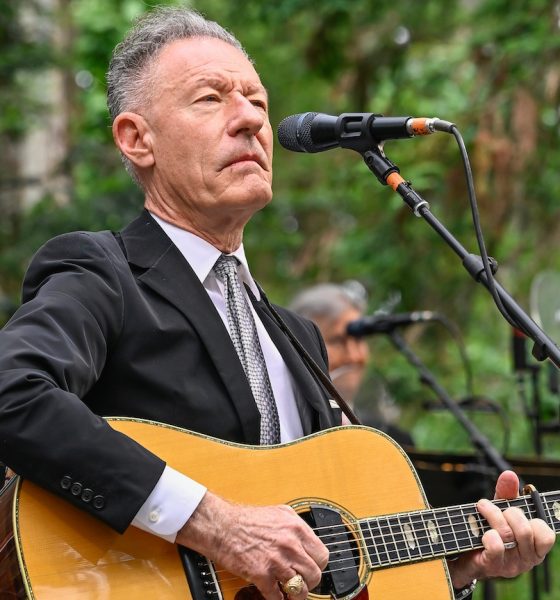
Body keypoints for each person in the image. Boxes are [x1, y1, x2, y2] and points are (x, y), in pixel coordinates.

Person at [0, 6, 554, 600]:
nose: (249, 121)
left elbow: (324, 565)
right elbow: (13, 391)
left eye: (257, 102)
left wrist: (452, 569)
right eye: (211, 99)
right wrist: (213, 523)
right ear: (138, 140)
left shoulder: (298, 337)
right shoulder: (102, 271)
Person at [289, 282, 414, 447]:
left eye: (358, 339)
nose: (355, 356)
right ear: (299, 347)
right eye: (337, 340)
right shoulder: (285, 434)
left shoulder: (391, 444)